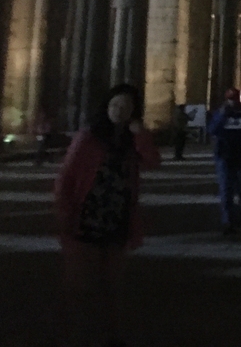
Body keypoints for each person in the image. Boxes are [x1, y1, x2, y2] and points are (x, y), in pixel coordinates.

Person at [54, 84, 161, 346]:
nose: (119, 111)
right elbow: (66, 177)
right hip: (87, 215)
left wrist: (140, 134)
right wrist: (64, 213)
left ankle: (110, 335)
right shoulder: (88, 137)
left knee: (112, 283)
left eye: (126, 107)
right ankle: (79, 334)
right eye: (115, 105)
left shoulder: (130, 141)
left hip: (117, 217)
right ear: (106, 107)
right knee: (80, 284)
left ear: (134, 112)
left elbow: (153, 161)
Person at [208, 88, 241, 235]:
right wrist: (222, 116)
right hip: (225, 156)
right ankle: (228, 221)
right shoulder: (220, 112)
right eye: (230, 100)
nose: (232, 102)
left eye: (234, 99)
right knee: (226, 190)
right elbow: (212, 130)